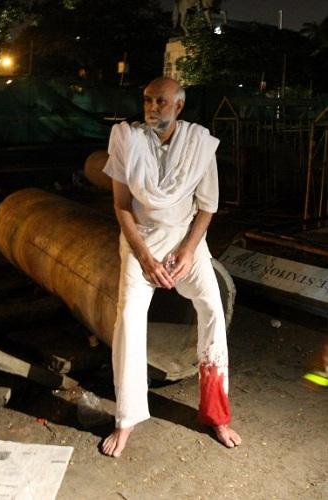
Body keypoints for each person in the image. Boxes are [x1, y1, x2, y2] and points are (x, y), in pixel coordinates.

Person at [100, 77, 242, 458]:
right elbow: (122, 207)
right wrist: (145, 257)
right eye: (147, 101)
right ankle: (126, 418)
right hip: (141, 241)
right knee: (128, 318)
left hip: (186, 240)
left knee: (212, 308)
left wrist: (189, 251)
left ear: (178, 106)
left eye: (161, 102)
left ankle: (216, 413)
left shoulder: (199, 144)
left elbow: (207, 207)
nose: (151, 108)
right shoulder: (127, 139)